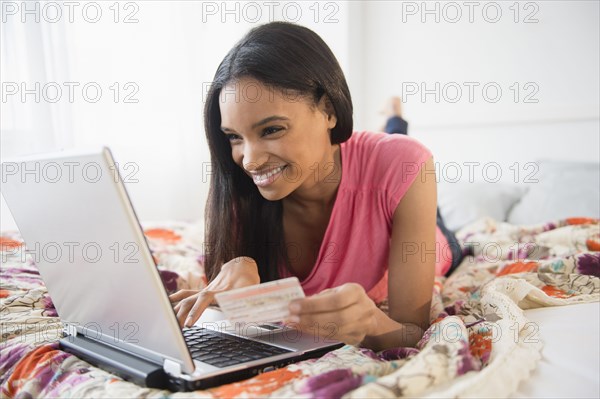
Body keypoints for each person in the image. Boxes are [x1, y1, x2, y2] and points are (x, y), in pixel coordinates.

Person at [169, 22, 459, 351]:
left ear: (329, 110)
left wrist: (371, 323)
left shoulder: (404, 163)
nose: (249, 161)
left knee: (402, 154)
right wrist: (236, 277)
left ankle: (394, 119)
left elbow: (411, 332)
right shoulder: (241, 187)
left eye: (271, 129)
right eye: (234, 137)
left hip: (434, 239)